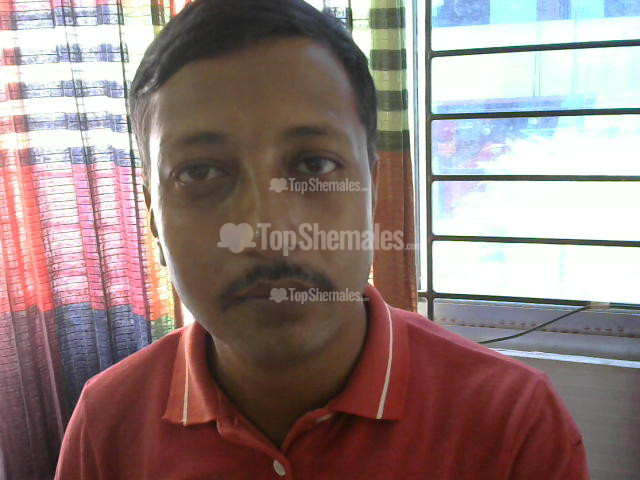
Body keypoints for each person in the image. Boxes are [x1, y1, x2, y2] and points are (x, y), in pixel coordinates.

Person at [54, 0, 590, 478]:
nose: (267, 232)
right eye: (199, 173)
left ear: (372, 191)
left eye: (315, 164)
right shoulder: (108, 425)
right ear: (152, 214)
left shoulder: (511, 425)